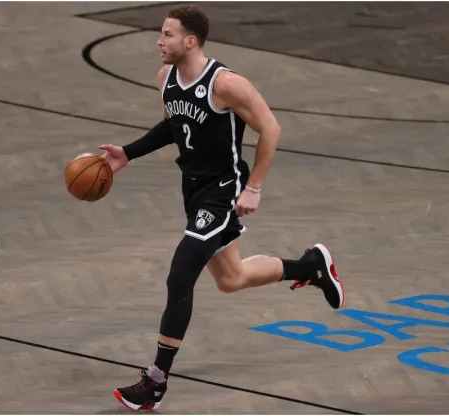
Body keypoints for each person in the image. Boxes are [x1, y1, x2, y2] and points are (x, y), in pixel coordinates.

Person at [97, 4, 345, 411]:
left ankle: (156, 381)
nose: (159, 41)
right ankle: (310, 266)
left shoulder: (226, 84)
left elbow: (271, 128)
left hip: (223, 190)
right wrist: (128, 153)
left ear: (190, 41)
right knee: (231, 278)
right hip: (193, 191)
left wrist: (254, 187)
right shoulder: (166, 79)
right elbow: (175, 126)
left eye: (168, 34)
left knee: (180, 275)